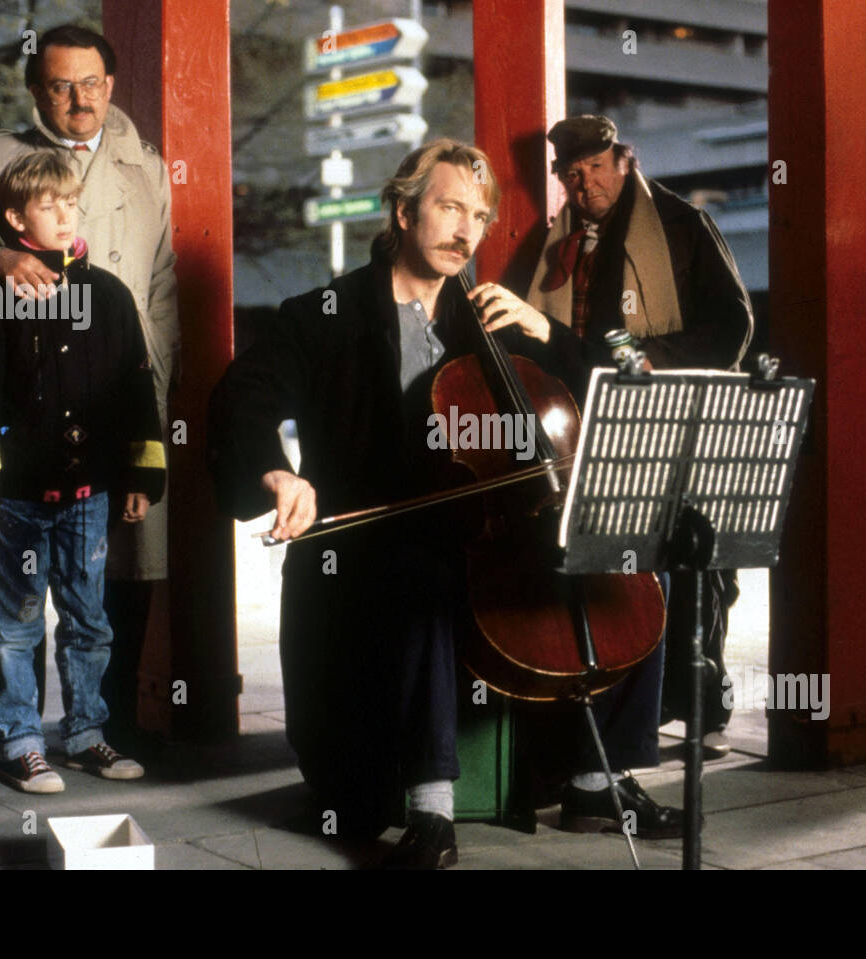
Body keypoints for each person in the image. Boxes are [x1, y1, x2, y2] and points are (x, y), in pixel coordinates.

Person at [208, 139, 683, 868]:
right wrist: (279, 475)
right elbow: (242, 398)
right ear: (403, 211)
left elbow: (603, 388)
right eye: (450, 206)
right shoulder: (325, 314)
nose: (467, 229)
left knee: (625, 555)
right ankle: (431, 809)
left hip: (493, 528)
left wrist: (544, 330)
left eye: (479, 214)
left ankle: (597, 779)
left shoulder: (490, 318)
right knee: (425, 570)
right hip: (369, 547)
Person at [0, 25, 178, 750]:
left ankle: (99, 726)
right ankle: (22, 731)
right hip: (29, 405)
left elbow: (164, 284)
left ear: (111, 84)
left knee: (118, 571)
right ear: (36, 89)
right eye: (60, 85)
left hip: (119, 392)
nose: (80, 98)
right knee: (21, 585)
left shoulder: (146, 164)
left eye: (93, 83)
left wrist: (156, 379)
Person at [519, 115, 755, 760]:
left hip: (673, 415)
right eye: (572, 173)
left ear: (624, 161)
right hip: (591, 426)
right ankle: (632, 713)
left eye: (596, 167)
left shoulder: (680, 223)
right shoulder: (556, 240)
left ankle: (705, 705)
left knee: (696, 570)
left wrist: (651, 359)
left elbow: (733, 325)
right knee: (620, 573)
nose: (585, 181)